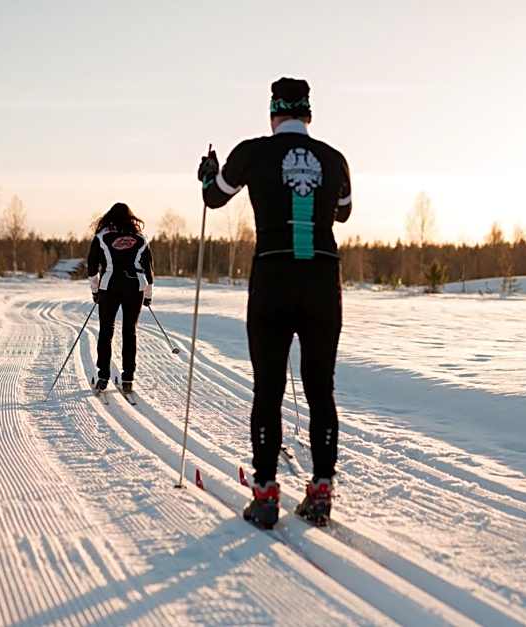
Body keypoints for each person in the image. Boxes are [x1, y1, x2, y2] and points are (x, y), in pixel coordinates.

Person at [197, 77, 352, 528]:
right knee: (321, 388)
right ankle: (321, 491)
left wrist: (208, 171)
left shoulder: (252, 152)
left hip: (273, 277)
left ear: (272, 113)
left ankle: (265, 493)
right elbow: (343, 211)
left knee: (268, 387)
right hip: (322, 278)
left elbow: (213, 196)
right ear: (309, 114)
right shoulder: (334, 158)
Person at [87, 202, 154, 394]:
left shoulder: (101, 237)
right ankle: (128, 378)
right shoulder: (140, 238)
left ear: (109, 217)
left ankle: (103, 376)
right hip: (135, 287)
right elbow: (148, 270)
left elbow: (92, 267)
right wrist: (148, 295)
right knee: (129, 331)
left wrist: (95, 291)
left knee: (106, 330)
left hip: (109, 286)